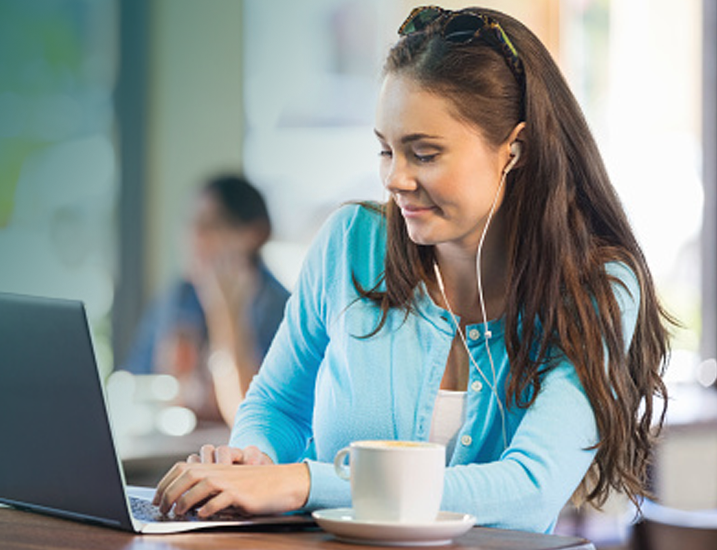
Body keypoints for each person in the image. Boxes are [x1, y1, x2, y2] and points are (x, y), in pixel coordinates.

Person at [151, 6, 672, 534]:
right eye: (386, 150)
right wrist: (253, 463)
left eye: (423, 154)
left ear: (513, 150)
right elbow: (277, 404)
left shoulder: (598, 288)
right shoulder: (350, 243)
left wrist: (303, 483)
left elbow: (529, 491)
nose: (395, 179)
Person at [120, 175, 290, 426]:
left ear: (254, 233)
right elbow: (135, 383)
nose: (194, 237)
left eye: (211, 225)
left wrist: (225, 314)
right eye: (190, 224)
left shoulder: (282, 310)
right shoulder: (176, 297)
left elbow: (253, 414)